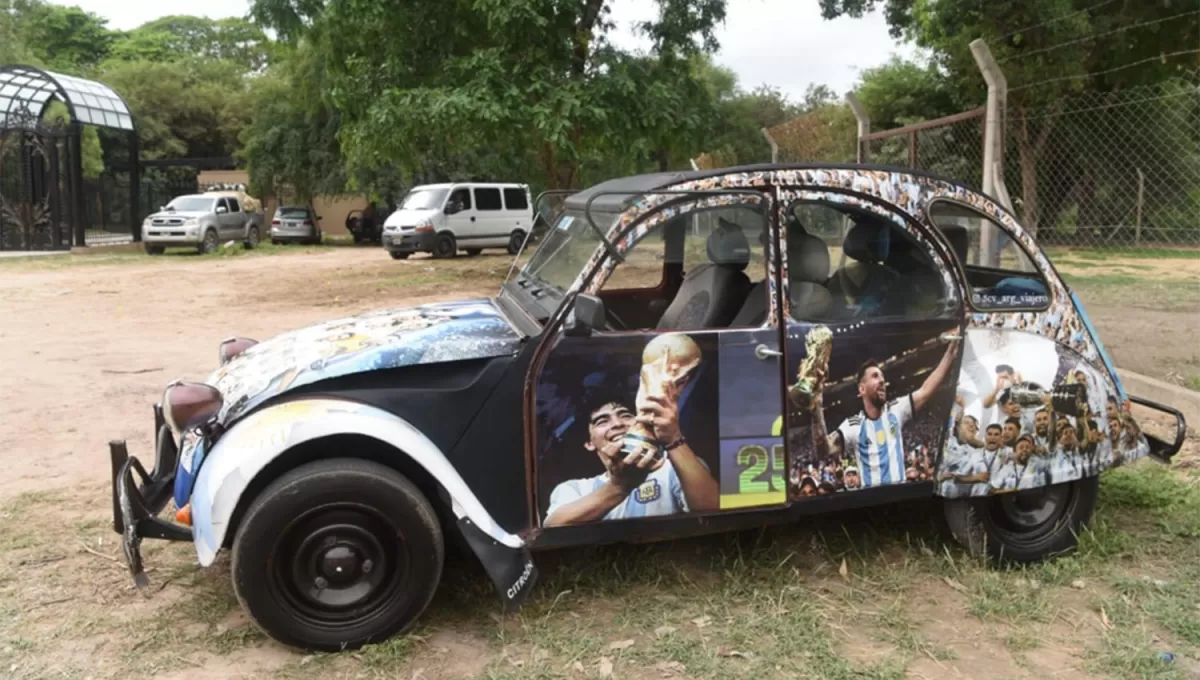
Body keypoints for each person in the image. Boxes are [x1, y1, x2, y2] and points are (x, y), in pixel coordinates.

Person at [543, 391, 719, 527]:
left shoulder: (675, 466)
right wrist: (619, 487)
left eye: (626, 415)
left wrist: (673, 439)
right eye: (602, 421)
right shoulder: (576, 488)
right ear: (589, 443)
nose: (618, 424)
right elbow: (552, 527)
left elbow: (716, 511)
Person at [811, 337, 960, 488]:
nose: (882, 381)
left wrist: (949, 356)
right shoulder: (853, 425)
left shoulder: (896, 410)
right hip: (871, 504)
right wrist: (816, 404)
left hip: (899, 501)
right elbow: (824, 451)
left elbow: (925, 390)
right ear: (861, 389)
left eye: (882, 377)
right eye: (875, 376)